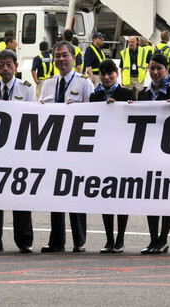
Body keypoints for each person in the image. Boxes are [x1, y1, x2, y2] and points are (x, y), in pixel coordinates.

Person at [0, 48, 36, 254]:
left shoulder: (26, 88)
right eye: (1, 64)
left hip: (19, 149)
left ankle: (24, 240)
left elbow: (33, 119)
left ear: (16, 66)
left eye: (8, 64)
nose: (5, 68)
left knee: (20, 194)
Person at [39, 40, 95, 252]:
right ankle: (57, 241)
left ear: (73, 58)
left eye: (65, 55)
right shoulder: (48, 84)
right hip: (54, 147)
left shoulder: (84, 83)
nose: (61, 59)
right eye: (57, 56)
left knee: (76, 194)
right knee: (55, 194)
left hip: (76, 147)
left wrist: (77, 109)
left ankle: (79, 241)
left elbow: (93, 112)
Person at [135, 53, 170, 253]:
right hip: (149, 152)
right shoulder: (143, 94)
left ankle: (163, 238)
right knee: (151, 198)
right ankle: (153, 238)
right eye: (152, 68)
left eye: (159, 69)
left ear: (166, 70)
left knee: (166, 197)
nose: (155, 73)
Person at [90, 59, 135, 253]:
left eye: (111, 73)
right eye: (103, 73)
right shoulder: (94, 96)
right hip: (102, 152)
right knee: (106, 197)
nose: (107, 77)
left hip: (122, 152)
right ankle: (109, 238)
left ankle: (120, 238)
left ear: (117, 74)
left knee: (121, 198)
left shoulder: (127, 93)